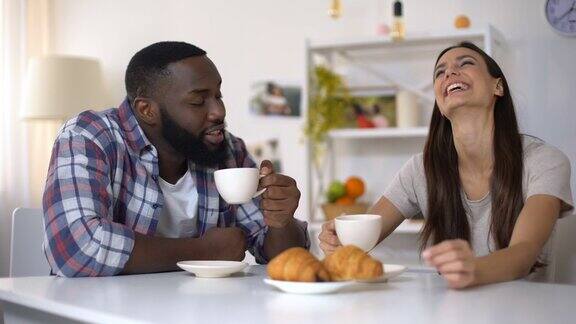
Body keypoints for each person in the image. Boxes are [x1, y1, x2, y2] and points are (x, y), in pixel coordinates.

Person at [318, 42, 573, 289]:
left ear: (498, 86)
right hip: (451, 311)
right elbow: (365, 234)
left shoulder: (544, 161)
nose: (450, 72)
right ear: (439, 103)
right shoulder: (420, 170)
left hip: (528, 312)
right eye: (440, 72)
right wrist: (339, 238)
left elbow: (524, 253)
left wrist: (474, 268)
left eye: (466, 63)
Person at [42, 41, 309, 277]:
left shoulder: (227, 150)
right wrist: (204, 250)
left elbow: (279, 255)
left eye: (218, 95)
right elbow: (76, 248)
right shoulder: (90, 136)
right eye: (198, 101)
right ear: (147, 110)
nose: (219, 111)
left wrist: (282, 222)